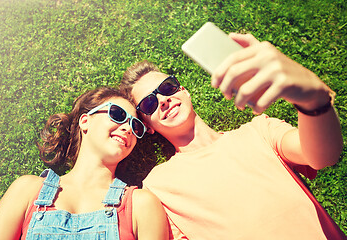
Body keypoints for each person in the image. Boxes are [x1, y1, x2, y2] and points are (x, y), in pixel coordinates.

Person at [119, 33, 346, 239]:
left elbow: (324, 156)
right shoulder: (158, 186)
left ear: (184, 90)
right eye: (149, 102)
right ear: (147, 125)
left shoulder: (260, 131)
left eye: (167, 87)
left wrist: (312, 98)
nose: (163, 100)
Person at [0, 87, 169, 240]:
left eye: (136, 126)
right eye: (117, 114)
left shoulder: (141, 205)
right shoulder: (27, 190)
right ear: (85, 121)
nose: (128, 128)